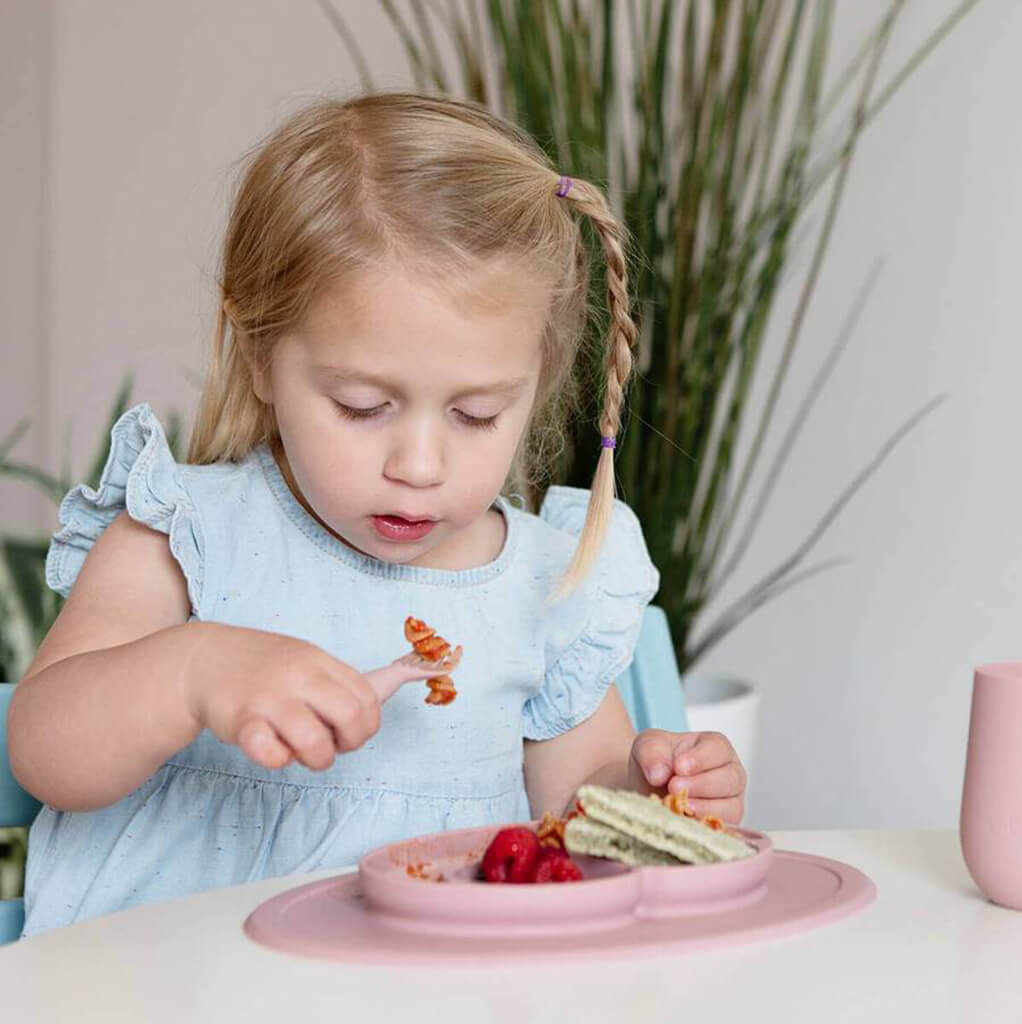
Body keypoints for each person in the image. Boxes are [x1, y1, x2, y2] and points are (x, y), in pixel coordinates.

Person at [8, 93, 747, 936]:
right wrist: (189, 672)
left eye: (475, 416)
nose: (419, 467)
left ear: (534, 391)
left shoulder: (542, 584)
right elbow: (43, 750)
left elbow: (580, 816)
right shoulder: (187, 538)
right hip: (176, 987)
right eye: (362, 405)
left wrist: (649, 797)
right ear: (259, 357)